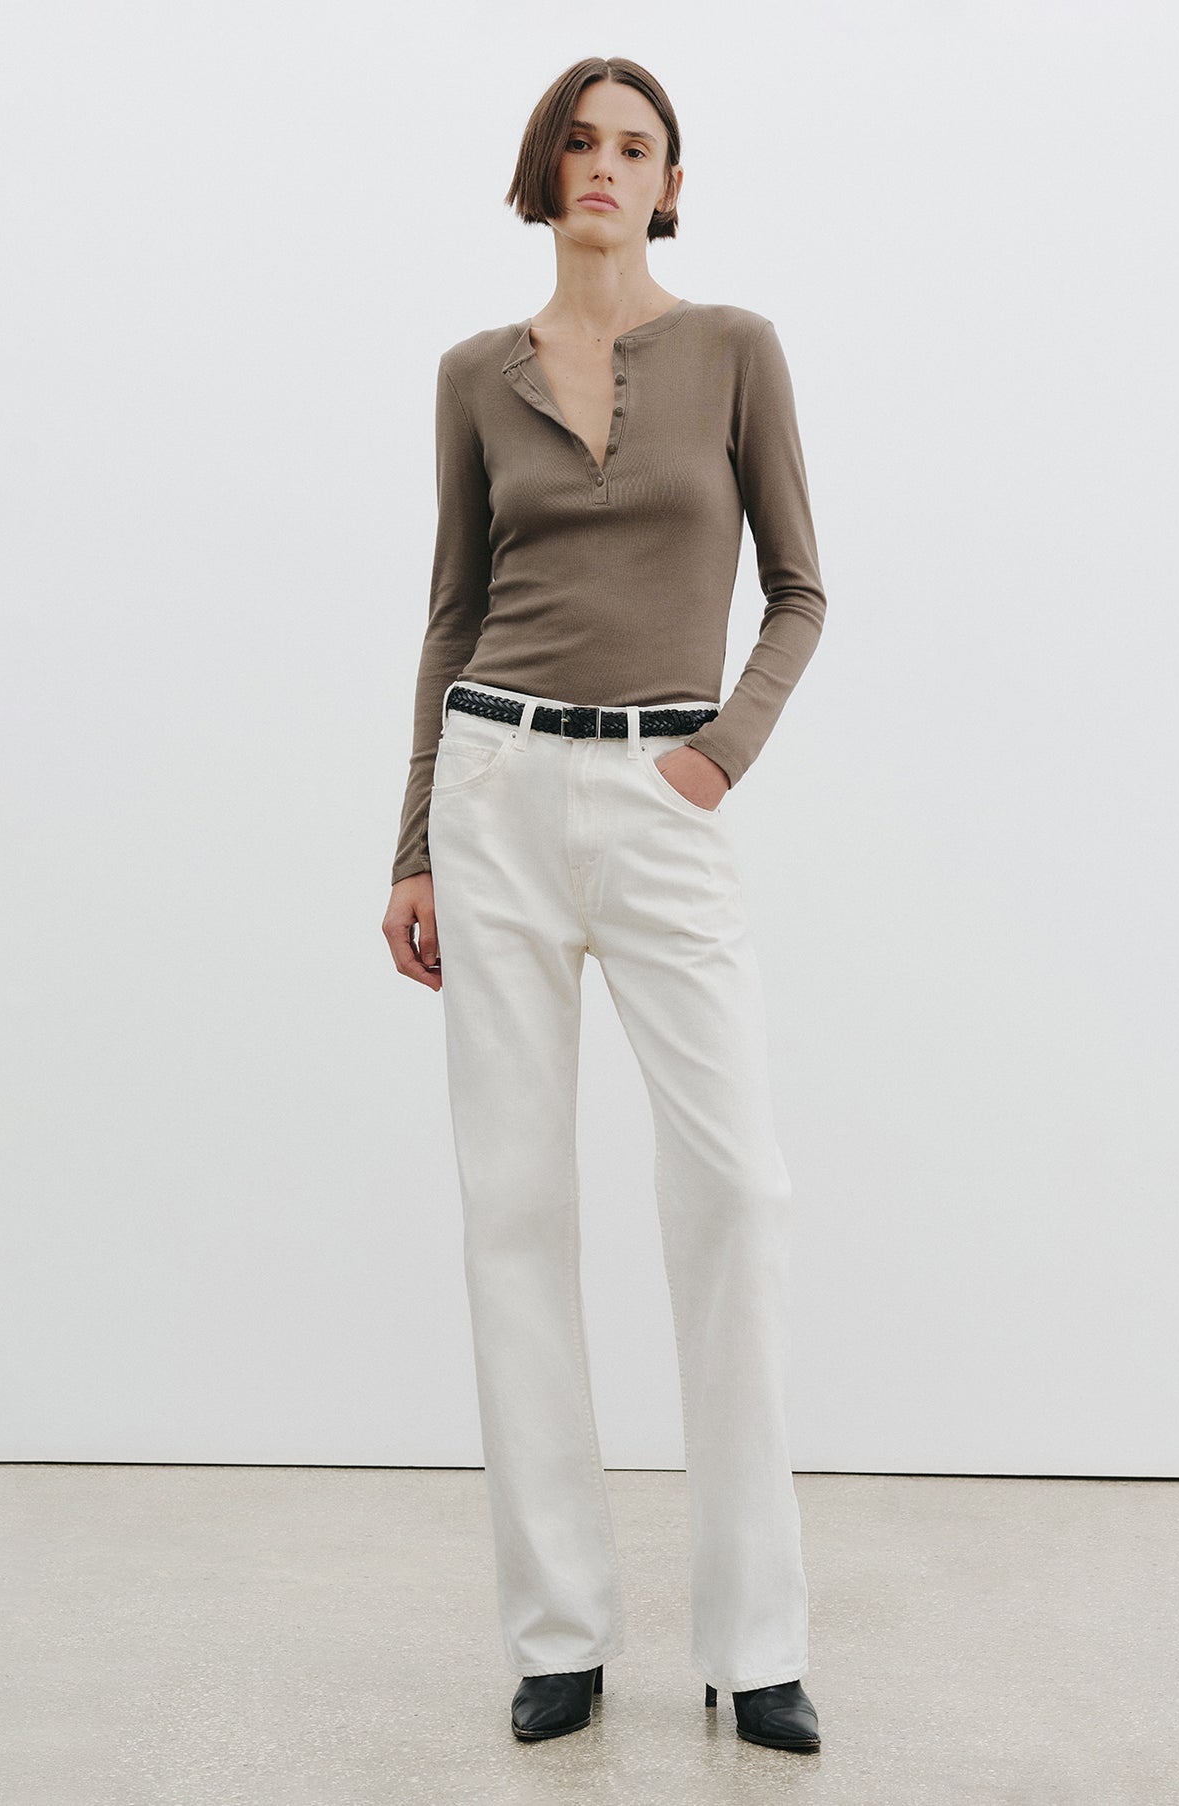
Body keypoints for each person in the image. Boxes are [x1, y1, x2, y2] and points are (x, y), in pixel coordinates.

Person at [381, 56, 828, 1754]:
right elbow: (450, 613)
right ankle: (558, 1626)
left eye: (635, 146)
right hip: (495, 789)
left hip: (661, 793)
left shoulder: (734, 350)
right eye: (578, 139)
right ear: (542, 167)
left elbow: (798, 589)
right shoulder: (471, 375)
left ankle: (756, 1640)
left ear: (670, 184)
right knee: (512, 1203)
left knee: (737, 1190)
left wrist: (718, 756)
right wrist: (413, 844)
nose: (603, 165)